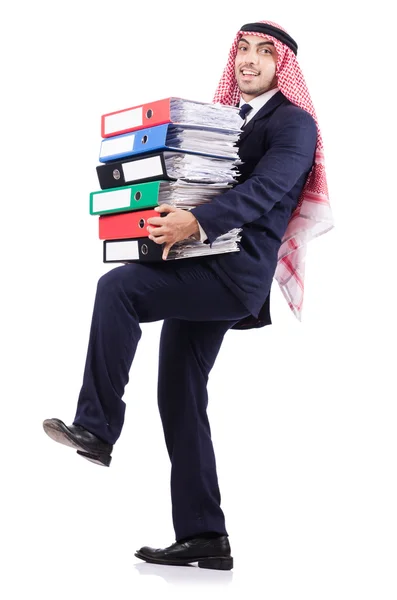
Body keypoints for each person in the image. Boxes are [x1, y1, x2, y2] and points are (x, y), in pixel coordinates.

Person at [42, 20, 333, 571]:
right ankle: (205, 536)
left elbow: (265, 190)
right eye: (241, 50)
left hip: (232, 275)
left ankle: (98, 428)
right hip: (202, 265)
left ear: (283, 66)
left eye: (262, 53)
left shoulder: (293, 124)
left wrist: (194, 224)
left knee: (119, 288)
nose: (248, 60)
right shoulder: (227, 121)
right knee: (179, 392)